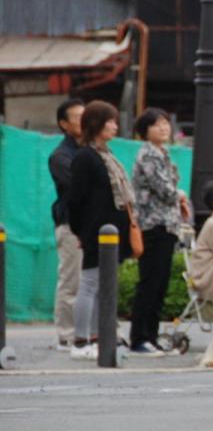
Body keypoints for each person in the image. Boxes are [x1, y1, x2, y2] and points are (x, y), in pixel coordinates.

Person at [66, 101, 134, 360]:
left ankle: (98, 336)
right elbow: (76, 199)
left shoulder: (106, 155)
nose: (115, 126)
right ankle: (81, 339)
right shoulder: (85, 156)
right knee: (90, 284)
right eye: (110, 121)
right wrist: (81, 232)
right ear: (96, 122)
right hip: (96, 232)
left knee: (103, 285)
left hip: (111, 234)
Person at [129, 108, 191, 355]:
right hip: (153, 225)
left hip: (167, 225)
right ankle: (139, 338)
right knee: (150, 283)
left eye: (166, 123)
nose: (164, 128)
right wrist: (182, 195)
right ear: (145, 130)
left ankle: (151, 337)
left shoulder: (162, 153)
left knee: (159, 284)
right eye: (157, 125)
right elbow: (165, 190)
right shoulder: (148, 155)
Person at [48, 97, 84, 350]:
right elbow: (78, 189)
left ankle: (87, 333)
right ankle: (66, 335)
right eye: (78, 117)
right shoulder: (60, 155)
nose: (85, 121)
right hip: (71, 224)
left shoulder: (91, 149)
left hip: (91, 226)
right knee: (71, 281)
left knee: (90, 282)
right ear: (63, 124)